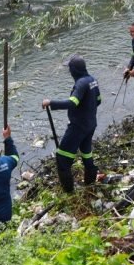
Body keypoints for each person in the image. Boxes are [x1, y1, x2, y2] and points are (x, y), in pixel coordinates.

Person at [43, 55, 101, 193]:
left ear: (73, 70)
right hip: (90, 124)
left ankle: (68, 192)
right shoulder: (92, 80)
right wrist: (87, 110)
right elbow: (98, 100)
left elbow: (72, 103)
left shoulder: (80, 83)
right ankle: (90, 184)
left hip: (78, 127)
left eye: (70, 69)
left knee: (62, 158)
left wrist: (51, 102)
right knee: (86, 154)